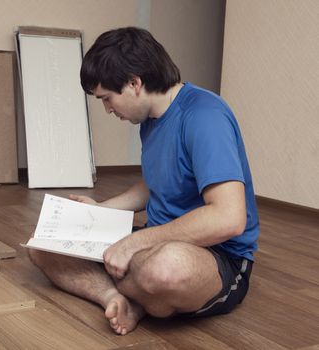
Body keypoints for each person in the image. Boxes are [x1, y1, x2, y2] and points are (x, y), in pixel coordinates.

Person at [28, 27, 260, 336]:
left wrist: (133, 243)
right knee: (43, 245)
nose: (108, 109)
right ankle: (116, 298)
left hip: (216, 256)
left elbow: (229, 219)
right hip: (157, 240)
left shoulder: (206, 116)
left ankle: (139, 292)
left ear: (135, 83)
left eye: (107, 98)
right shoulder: (150, 121)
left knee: (164, 269)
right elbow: (156, 183)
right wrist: (101, 211)